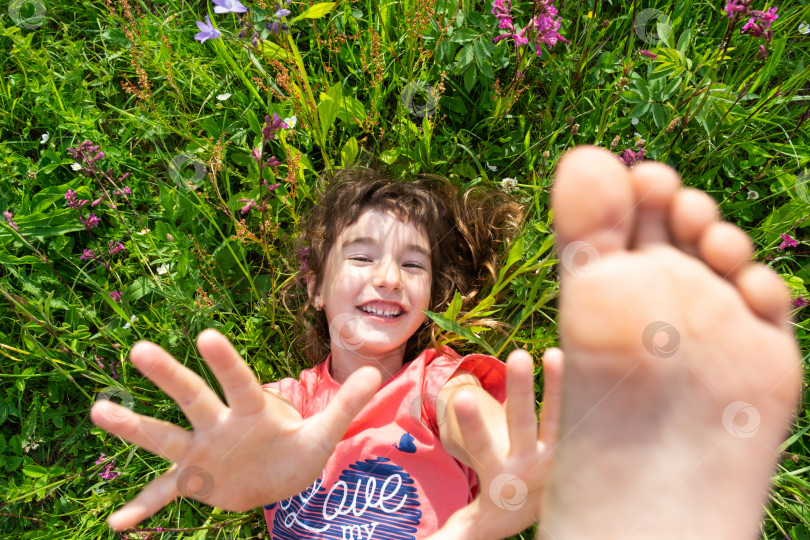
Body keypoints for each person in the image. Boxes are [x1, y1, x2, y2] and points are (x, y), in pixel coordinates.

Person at [91, 146, 801, 539]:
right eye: (361, 256)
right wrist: (231, 475)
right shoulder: (280, 407)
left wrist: (507, 458)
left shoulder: (436, 381)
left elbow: (471, 415)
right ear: (316, 287)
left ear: (430, 299)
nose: (389, 276)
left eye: (414, 264)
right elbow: (263, 433)